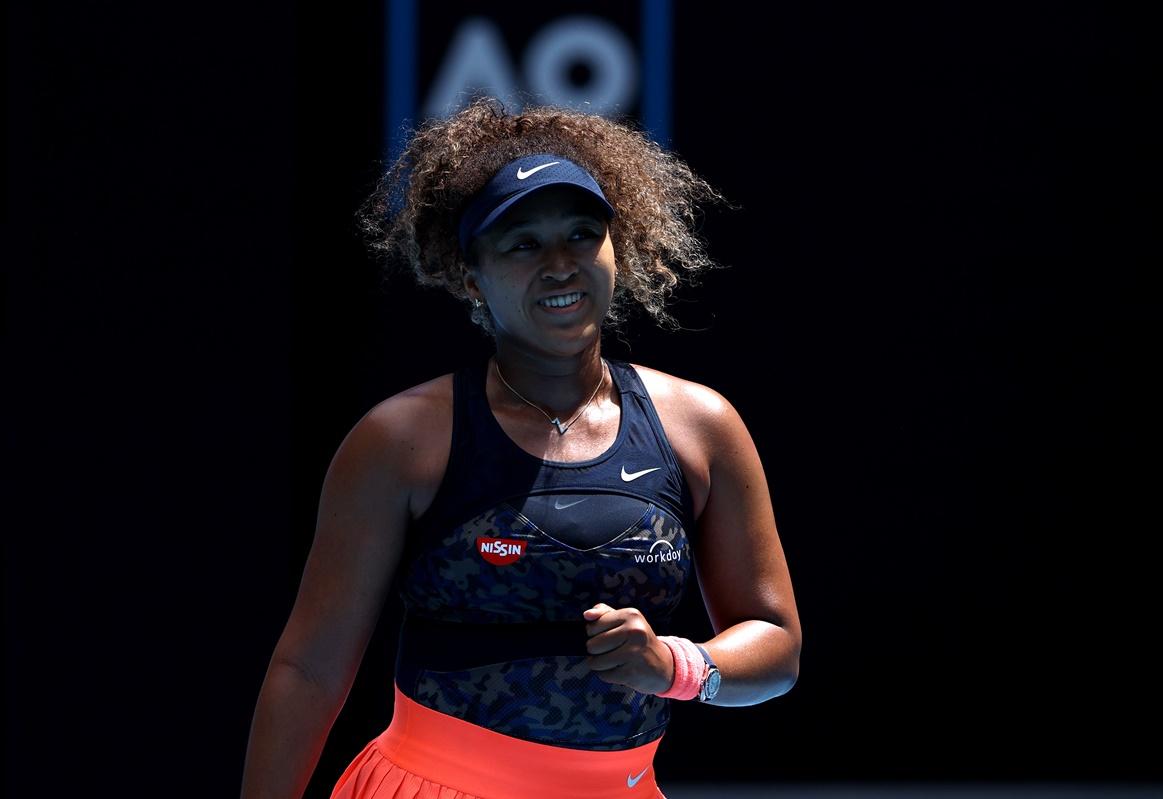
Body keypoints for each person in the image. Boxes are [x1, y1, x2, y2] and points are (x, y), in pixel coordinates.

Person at [240, 96, 803, 799]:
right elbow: (309, 671)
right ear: (471, 275)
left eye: (580, 233)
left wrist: (675, 664)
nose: (561, 264)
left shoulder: (702, 425)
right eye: (523, 243)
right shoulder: (399, 441)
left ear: (614, 248)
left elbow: (776, 644)